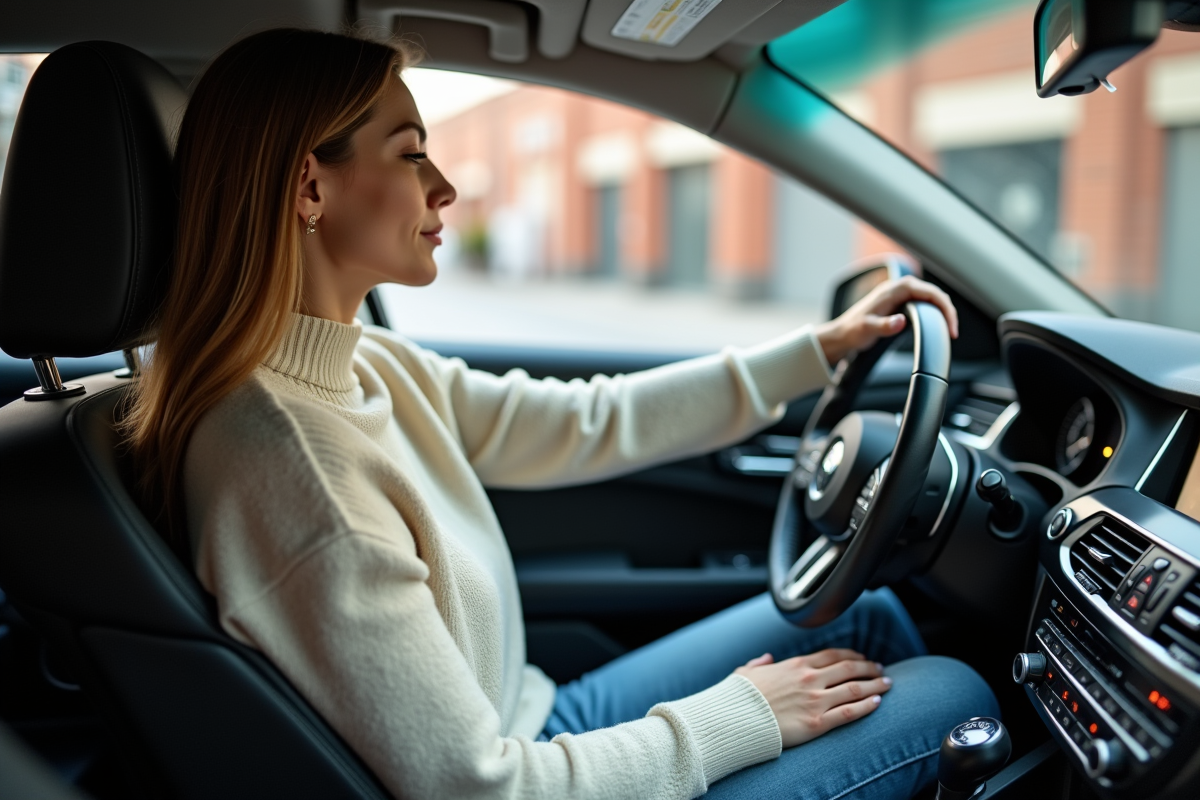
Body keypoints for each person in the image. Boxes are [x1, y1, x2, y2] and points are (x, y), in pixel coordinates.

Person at [123, 28, 998, 800]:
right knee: (951, 697)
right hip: (534, 768)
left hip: (540, 718)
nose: (446, 187)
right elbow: (479, 789)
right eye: (410, 153)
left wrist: (817, 354)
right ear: (309, 188)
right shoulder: (293, 467)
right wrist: (739, 719)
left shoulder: (366, 365)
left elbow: (586, 419)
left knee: (870, 620)